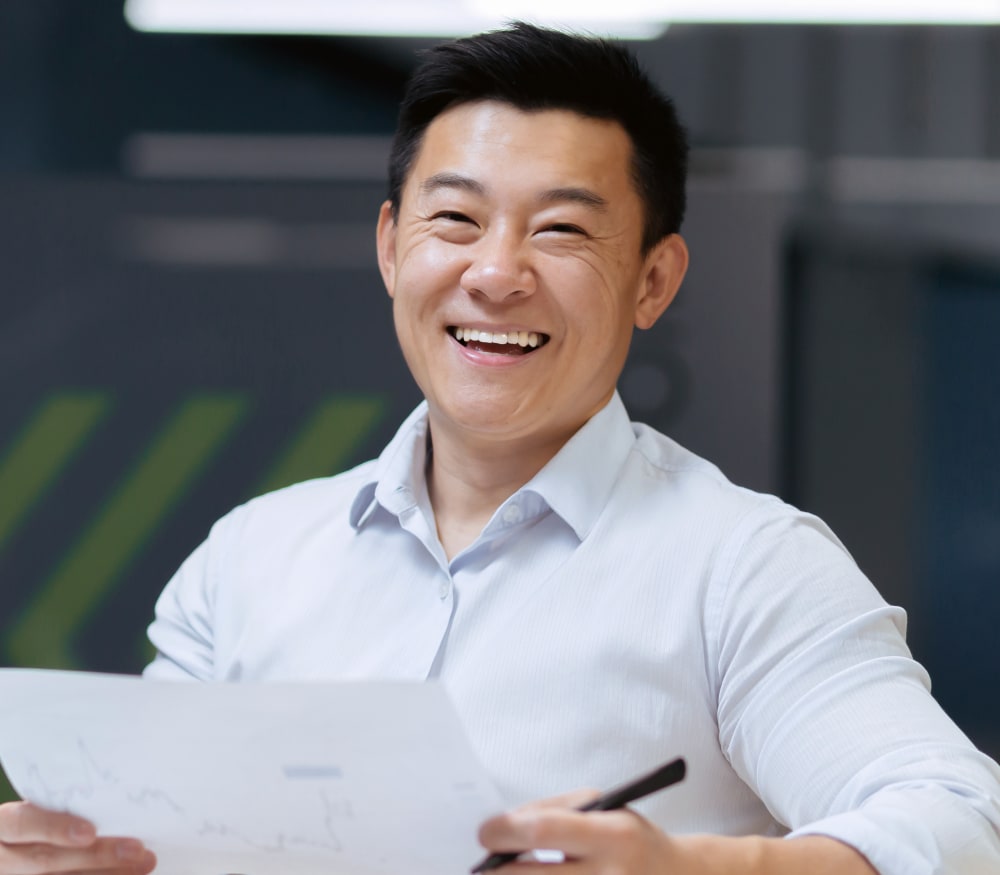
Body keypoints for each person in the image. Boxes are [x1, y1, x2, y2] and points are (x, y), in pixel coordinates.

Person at [1, 21, 999, 875]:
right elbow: (157, 832)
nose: (495, 272)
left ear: (654, 281)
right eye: (455, 218)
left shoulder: (744, 567)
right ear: (391, 245)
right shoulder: (249, 560)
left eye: (560, 230)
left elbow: (961, 823)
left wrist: (693, 867)